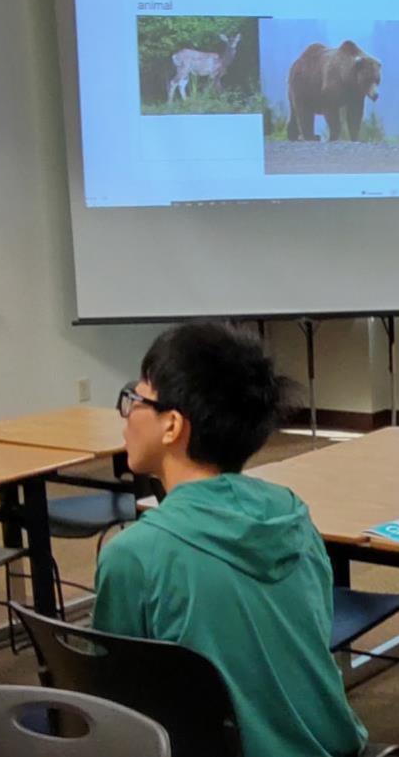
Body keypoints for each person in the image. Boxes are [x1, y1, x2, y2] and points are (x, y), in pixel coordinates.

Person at [93, 323, 369, 757]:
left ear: (171, 425)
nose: (125, 416)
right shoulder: (293, 515)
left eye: (135, 399)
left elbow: (114, 704)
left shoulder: (134, 556)